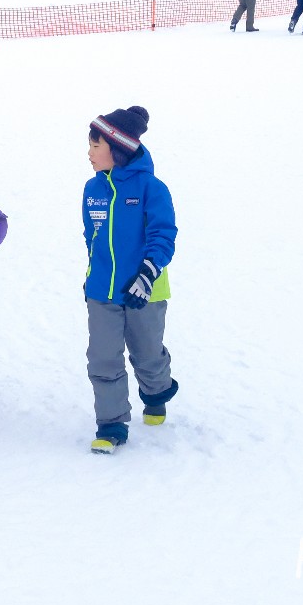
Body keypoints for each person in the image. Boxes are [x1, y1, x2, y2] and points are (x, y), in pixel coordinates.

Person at [82, 106, 178, 455]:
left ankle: (156, 392)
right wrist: (92, 277)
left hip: (145, 292)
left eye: (95, 145)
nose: (89, 153)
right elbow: (90, 237)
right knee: (102, 357)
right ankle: (111, 424)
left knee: (147, 354)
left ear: (117, 148)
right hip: (102, 292)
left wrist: (147, 274)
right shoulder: (92, 190)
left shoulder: (152, 189)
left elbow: (163, 234)